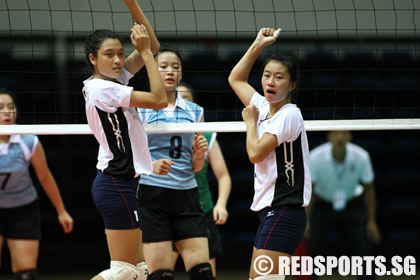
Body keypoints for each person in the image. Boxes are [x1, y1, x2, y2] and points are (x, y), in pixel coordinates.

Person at [82, 0, 167, 278]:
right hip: (115, 183)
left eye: (121, 53)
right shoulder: (103, 89)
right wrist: (143, 51)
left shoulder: (113, 83)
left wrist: (132, 5)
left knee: (139, 272)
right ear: (93, 59)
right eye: (110, 55)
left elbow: (152, 47)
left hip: (122, 182)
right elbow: (158, 99)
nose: (118, 60)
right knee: (123, 271)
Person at [228, 28, 312, 280]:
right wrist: (257, 44)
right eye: (266, 76)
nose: (270, 82)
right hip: (270, 211)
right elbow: (236, 79)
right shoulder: (264, 107)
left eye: (279, 77)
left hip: (285, 209)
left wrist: (250, 123)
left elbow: (254, 154)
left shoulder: (289, 115)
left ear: (293, 84)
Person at [137, 49, 213, 280]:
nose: (170, 71)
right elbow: (128, 156)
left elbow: (196, 167)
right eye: (163, 66)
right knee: (161, 275)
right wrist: (150, 164)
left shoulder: (195, 111)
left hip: (187, 195)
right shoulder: (140, 108)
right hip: (152, 195)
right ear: (152, 69)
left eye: (175, 66)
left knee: (203, 273)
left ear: (181, 73)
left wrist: (199, 156)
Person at [0, 90, 74, 280]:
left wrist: (61, 211)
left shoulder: (28, 139)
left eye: (11, 107)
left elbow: (45, 176)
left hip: (23, 208)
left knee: (27, 274)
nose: (7, 112)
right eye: (0, 108)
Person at [172, 83, 232, 279]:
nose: (181, 102)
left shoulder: (206, 135)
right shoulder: (158, 132)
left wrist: (221, 205)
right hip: (168, 210)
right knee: (160, 271)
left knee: (206, 273)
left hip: (201, 210)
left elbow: (223, 176)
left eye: (186, 98)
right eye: (177, 98)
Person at [305, 130, 381, 280]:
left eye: (344, 133)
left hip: (352, 205)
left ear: (350, 136)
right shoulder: (315, 157)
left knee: (364, 249)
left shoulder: (361, 156)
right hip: (323, 205)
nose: (340, 136)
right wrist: (306, 220)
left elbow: (369, 188)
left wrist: (372, 221)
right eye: (336, 133)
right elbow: (310, 190)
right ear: (329, 136)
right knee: (312, 248)